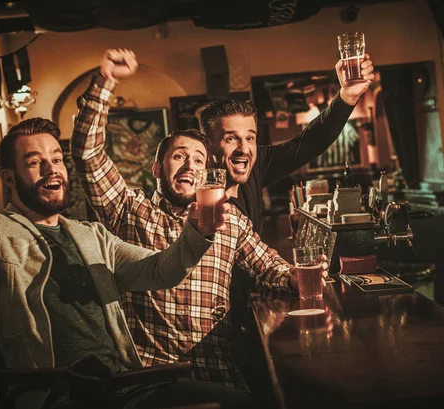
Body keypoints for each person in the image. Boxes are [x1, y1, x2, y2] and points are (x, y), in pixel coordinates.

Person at [71, 48, 327, 403]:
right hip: (153, 377)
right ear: (157, 169)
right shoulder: (129, 211)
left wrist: (296, 276)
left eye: (197, 159)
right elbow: (87, 154)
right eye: (178, 156)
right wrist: (106, 81)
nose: (189, 166)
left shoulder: (228, 219)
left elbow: (269, 266)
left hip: (219, 371)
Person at [0, 117, 256, 409]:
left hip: (125, 385)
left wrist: (198, 231)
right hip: (55, 394)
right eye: (34, 162)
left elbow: (161, 269)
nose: (51, 169)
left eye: (56, 159)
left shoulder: (90, 236)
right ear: (8, 178)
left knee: (245, 404)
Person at [197, 52, 375, 393]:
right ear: (208, 145)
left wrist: (347, 97)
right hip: (212, 328)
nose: (243, 147)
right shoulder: (196, 196)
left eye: (249, 137)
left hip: (249, 314)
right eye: (231, 137)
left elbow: (308, 143)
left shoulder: (256, 167)